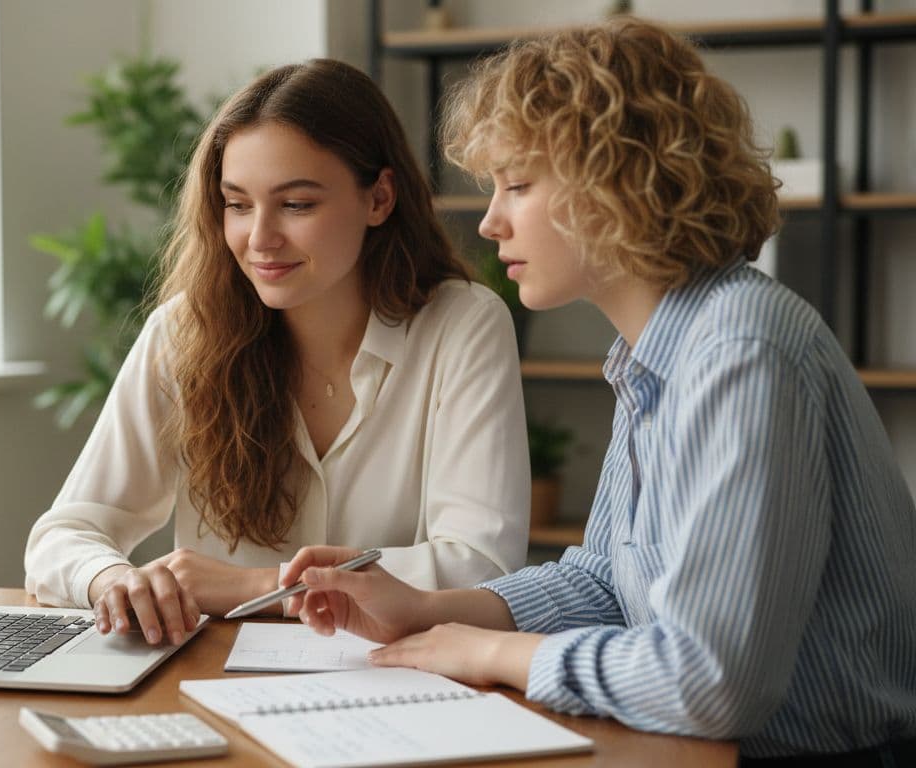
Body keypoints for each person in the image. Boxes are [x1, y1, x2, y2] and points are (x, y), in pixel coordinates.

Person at [281, 19, 916, 765]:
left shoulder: (741, 351)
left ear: (619, 181)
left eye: (518, 185)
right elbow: (607, 581)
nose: (491, 221)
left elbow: (710, 682)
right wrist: (426, 609)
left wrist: (490, 652)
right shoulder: (659, 350)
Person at [24, 58, 529, 648]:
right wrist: (113, 580)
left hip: (395, 677)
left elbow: (480, 566)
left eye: (296, 205)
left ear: (379, 198)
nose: (259, 238)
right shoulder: (184, 332)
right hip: (211, 682)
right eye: (238, 205)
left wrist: (257, 586)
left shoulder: (463, 325)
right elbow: (62, 535)